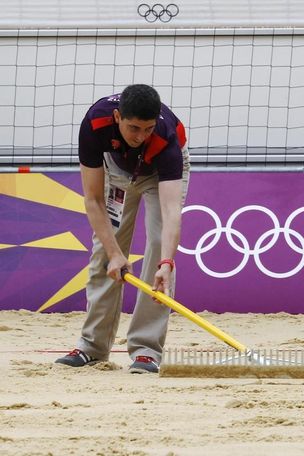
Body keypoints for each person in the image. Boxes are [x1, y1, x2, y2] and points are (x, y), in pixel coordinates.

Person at [55, 84, 190, 374]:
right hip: (116, 172)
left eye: (148, 128)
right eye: (134, 129)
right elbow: (92, 200)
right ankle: (92, 347)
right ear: (117, 117)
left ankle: (146, 350)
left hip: (156, 176)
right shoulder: (95, 123)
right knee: (105, 252)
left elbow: (171, 212)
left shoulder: (167, 138)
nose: (141, 137)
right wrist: (116, 254)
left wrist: (167, 262)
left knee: (159, 252)